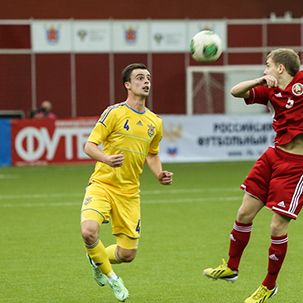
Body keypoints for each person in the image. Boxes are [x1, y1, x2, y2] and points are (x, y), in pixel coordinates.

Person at [203, 48, 303, 303]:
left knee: (277, 226)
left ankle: (269, 286)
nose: (265, 69)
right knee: (244, 213)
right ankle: (231, 268)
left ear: (281, 67)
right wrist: (260, 80)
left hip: (296, 166)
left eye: (268, 65)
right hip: (273, 156)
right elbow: (236, 91)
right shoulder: (269, 89)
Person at [80, 63, 173, 302]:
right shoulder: (114, 112)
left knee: (127, 254)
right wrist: (106, 159)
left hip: (129, 193)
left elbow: (152, 154)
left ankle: (96, 258)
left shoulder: (155, 122)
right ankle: (112, 279)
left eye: (148, 78)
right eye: (140, 78)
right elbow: (89, 146)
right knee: (89, 232)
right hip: (102, 184)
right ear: (128, 85)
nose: (146, 81)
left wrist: (159, 174)